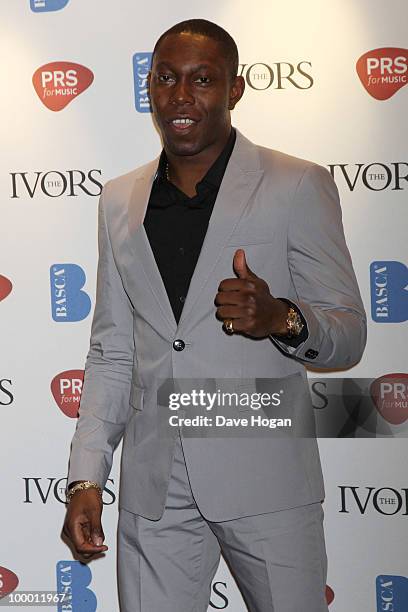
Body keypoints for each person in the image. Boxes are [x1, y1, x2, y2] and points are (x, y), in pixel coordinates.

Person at [63, 19, 366, 612]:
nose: (180, 96)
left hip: (266, 479)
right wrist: (86, 478)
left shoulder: (296, 183)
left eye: (202, 79)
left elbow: (349, 334)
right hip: (154, 489)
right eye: (166, 79)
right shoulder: (118, 199)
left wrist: (283, 319)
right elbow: (111, 351)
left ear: (235, 88)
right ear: (148, 87)